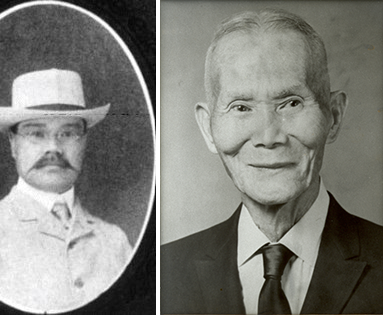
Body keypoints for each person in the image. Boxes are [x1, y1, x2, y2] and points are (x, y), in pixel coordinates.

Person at [161, 8, 383, 314]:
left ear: (333, 116)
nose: (268, 136)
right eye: (241, 107)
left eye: (291, 103)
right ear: (207, 127)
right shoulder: (161, 275)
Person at [0, 68, 132, 312]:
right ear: (13, 144)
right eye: (36, 133)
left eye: (68, 133)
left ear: (85, 141)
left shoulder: (115, 241)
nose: (53, 148)